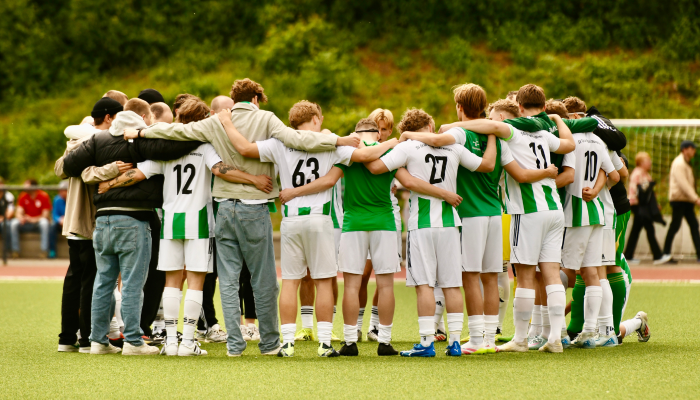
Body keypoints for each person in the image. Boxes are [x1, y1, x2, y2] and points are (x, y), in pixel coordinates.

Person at [124, 78, 359, 357]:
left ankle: (234, 345)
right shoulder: (266, 118)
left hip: (223, 207)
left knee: (228, 281)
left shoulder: (216, 121)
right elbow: (297, 139)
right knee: (263, 280)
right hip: (254, 206)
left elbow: (178, 131)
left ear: (233, 99)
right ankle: (269, 343)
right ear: (256, 98)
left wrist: (140, 132)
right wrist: (338, 140)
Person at [219, 101, 395, 357]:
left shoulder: (279, 142)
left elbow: (244, 148)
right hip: (319, 218)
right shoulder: (331, 142)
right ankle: (324, 343)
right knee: (323, 282)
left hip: (291, 219)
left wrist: (226, 122)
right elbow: (367, 156)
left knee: (290, 282)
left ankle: (288, 343)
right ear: (315, 119)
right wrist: (393, 141)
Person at [99, 99, 272, 357]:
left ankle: (170, 342)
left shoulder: (166, 147)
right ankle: (188, 342)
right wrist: (254, 179)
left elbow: (138, 173)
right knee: (195, 281)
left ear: (179, 118)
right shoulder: (204, 145)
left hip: (171, 220)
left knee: (171, 282)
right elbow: (221, 170)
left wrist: (109, 184)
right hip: (199, 220)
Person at [399, 86, 560, 354]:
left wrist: (407, 135)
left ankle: (475, 339)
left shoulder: (460, 133)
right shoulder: (498, 138)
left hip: (469, 213)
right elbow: (509, 170)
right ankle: (489, 337)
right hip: (495, 212)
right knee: (491, 277)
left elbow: (436, 142)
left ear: (460, 107)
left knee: (470, 277)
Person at [63, 98, 203, 355]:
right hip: (133, 219)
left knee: (103, 282)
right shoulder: (141, 140)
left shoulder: (97, 140)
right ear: (142, 118)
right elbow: (175, 148)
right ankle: (133, 341)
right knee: (131, 283)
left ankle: (97, 341)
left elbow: (69, 165)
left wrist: (104, 171)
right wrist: (203, 132)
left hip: (102, 220)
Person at [445, 84, 575, 354]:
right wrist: (558, 119)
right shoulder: (543, 133)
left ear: (518, 107)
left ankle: (520, 339)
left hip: (528, 211)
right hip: (554, 209)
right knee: (551, 273)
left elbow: (494, 131)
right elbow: (569, 144)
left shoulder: (511, 130)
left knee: (524, 276)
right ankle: (555, 337)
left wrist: (451, 126)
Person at [369, 107, 495, 357]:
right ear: (429, 127)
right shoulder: (454, 147)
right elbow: (486, 166)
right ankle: (455, 342)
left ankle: (426, 343)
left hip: (422, 225)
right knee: (452, 285)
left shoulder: (406, 147)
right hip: (450, 224)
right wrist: (493, 134)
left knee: (424, 285)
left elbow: (375, 167)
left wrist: (395, 162)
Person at [54, 97, 126, 353]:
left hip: (74, 221)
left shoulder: (74, 141)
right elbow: (86, 174)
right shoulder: (97, 141)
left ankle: (66, 338)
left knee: (74, 279)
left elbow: (59, 168)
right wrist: (113, 169)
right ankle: (86, 339)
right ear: (108, 117)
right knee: (90, 281)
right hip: (89, 220)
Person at [662, 140, 700, 262]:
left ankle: (699, 254)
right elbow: (684, 184)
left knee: (693, 225)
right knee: (675, 225)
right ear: (684, 149)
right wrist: (696, 198)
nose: (694, 151)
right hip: (679, 200)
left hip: (686, 200)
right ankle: (665, 253)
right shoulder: (679, 163)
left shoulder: (686, 163)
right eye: (692, 148)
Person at [624, 152, 665, 264]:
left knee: (637, 230)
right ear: (641, 162)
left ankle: (628, 255)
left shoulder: (645, 174)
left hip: (642, 206)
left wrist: (654, 204)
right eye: (648, 161)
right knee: (648, 229)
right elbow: (636, 191)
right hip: (638, 205)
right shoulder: (638, 173)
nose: (650, 163)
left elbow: (649, 193)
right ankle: (658, 256)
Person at [9, 179, 52, 258]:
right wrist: (21, 218)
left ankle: (44, 251)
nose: (24, 187)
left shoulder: (44, 196)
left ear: (33, 187)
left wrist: (32, 219)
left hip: (38, 223)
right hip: (26, 222)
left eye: (27, 185)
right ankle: (15, 251)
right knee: (14, 223)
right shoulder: (23, 196)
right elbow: (18, 212)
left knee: (44, 223)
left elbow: (45, 215)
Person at [48, 180, 69, 258]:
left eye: (63, 190)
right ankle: (52, 250)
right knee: (52, 226)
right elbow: (54, 215)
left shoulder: (74, 199)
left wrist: (66, 219)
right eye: (59, 190)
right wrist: (60, 220)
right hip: (60, 223)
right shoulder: (57, 199)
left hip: (71, 222)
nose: (60, 192)